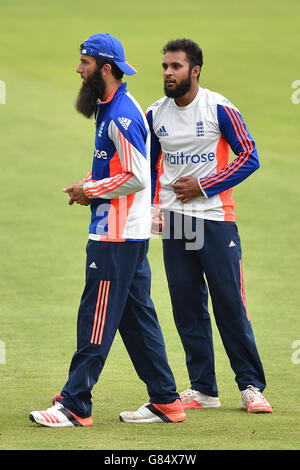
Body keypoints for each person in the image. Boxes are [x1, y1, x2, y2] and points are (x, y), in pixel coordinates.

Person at [29, 33, 186, 427]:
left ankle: (75, 404)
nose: (78, 70)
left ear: (105, 68)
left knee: (95, 316)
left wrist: (90, 190)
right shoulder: (110, 106)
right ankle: (167, 399)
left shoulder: (121, 115)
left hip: (116, 235)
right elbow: (115, 166)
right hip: (123, 232)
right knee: (137, 319)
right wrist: (89, 182)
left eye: (84, 63)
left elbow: (134, 176)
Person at [146, 38, 272, 414]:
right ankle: (203, 389)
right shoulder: (155, 114)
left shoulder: (218, 107)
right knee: (187, 307)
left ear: (194, 70)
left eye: (176, 67)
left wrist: (204, 185)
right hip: (177, 223)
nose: (168, 72)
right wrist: (154, 207)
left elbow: (249, 156)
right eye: (165, 66)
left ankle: (251, 386)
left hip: (216, 220)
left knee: (230, 304)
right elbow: (150, 166)